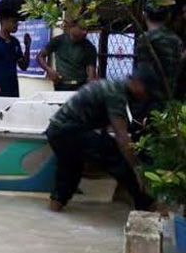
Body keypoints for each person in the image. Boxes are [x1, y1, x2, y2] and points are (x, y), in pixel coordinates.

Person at [45, 68, 159, 212]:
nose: (146, 97)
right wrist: (138, 169)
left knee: (69, 174)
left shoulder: (113, 87)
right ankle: (149, 206)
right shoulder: (116, 92)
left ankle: (53, 211)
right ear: (137, 84)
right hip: (68, 131)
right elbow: (121, 137)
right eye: (146, 91)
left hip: (56, 131)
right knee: (120, 160)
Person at [134, 1, 184, 101]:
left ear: (144, 15)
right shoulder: (176, 39)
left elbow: (144, 71)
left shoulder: (145, 39)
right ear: (168, 17)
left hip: (150, 97)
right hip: (171, 94)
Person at [37, 20, 97, 91]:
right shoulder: (58, 41)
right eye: (82, 29)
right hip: (61, 86)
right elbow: (40, 56)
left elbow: (91, 74)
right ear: (72, 27)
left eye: (87, 30)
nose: (85, 32)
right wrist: (49, 70)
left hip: (80, 87)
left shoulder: (89, 47)